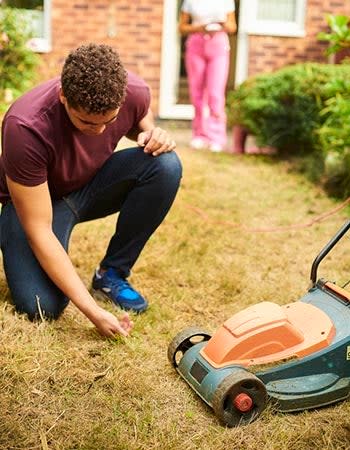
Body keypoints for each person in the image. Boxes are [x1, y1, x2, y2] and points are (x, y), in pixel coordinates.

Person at [0, 43, 182, 338]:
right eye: (85, 121)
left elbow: (140, 124)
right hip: (35, 206)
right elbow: (39, 229)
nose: (98, 130)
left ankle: (111, 275)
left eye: (108, 121)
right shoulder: (25, 126)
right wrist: (92, 312)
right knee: (41, 306)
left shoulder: (133, 91)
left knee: (165, 165)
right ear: (63, 96)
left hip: (88, 185)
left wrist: (153, 134)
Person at [179, 0, 237, 152]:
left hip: (218, 45)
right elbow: (182, 27)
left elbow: (233, 27)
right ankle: (199, 135)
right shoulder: (190, 2)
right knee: (197, 93)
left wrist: (222, 24)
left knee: (215, 94)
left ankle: (216, 137)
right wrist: (199, 28)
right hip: (196, 45)